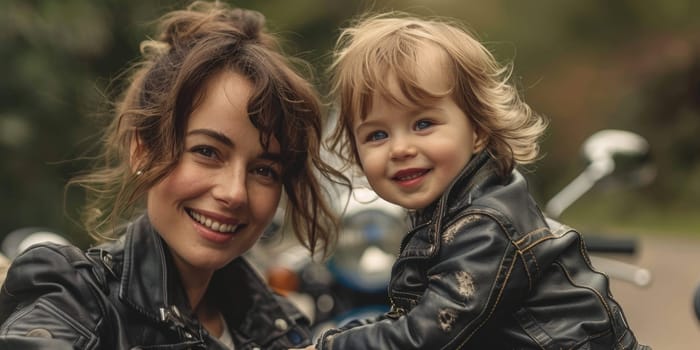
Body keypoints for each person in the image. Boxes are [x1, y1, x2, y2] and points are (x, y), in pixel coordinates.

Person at [0, 1, 348, 349]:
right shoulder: (74, 296)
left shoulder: (281, 326)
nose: (235, 192)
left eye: (264, 170)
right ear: (142, 149)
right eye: (207, 152)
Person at [306, 12, 650, 350]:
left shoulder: (486, 226)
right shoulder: (444, 214)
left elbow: (427, 336)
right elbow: (410, 317)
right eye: (377, 134)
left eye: (423, 124)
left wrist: (328, 347)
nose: (400, 148)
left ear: (477, 130)